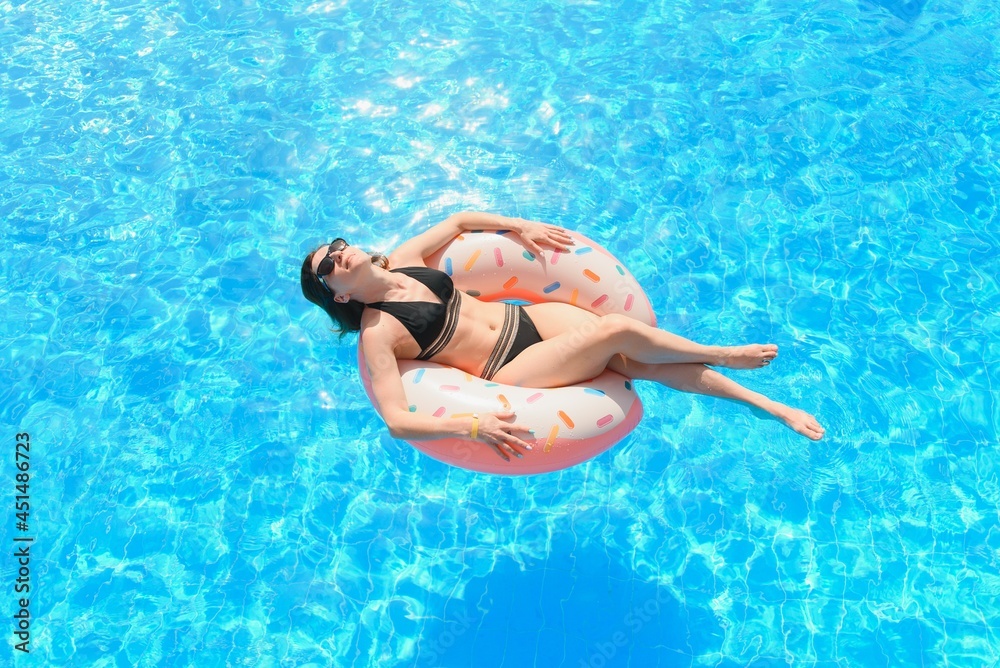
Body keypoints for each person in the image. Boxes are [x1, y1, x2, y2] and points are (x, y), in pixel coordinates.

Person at [301, 212, 825, 461]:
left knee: (637, 364)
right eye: (328, 263)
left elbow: (461, 221)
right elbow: (396, 420)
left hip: (525, 320)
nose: (338, 252)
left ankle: (772, 407)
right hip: (509, 367)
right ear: (338, 294)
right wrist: (470, 425)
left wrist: (518, 227)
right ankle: (723, 352)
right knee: (619, 333)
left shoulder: (408, 260)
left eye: (337, 243)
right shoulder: (379, 333)